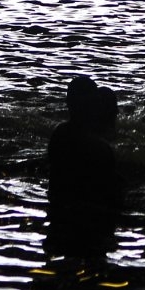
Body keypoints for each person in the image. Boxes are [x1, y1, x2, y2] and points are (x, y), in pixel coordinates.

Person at [46, 76, 123, 255]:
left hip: (59, 215)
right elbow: (113, 196)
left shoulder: (58, 135)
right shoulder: (100, 149)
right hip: (91, 222)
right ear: (95, 107)